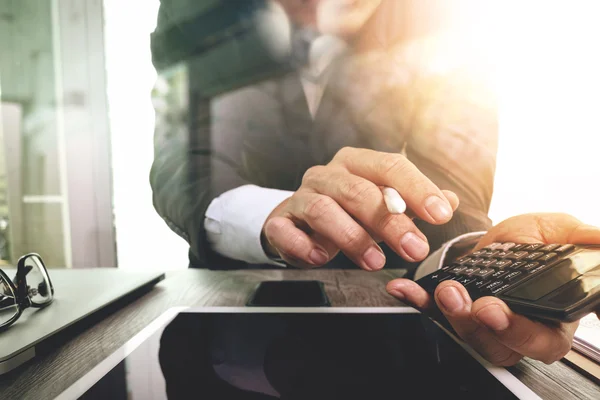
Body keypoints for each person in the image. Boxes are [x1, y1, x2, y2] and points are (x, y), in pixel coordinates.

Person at [150, 0, 600, 371]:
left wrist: (477, 262)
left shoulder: (450, 19)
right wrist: (265, 213)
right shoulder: (193, 10)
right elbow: (180, 161)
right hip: (223, 327)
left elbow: (451, 186)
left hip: (400, 335)